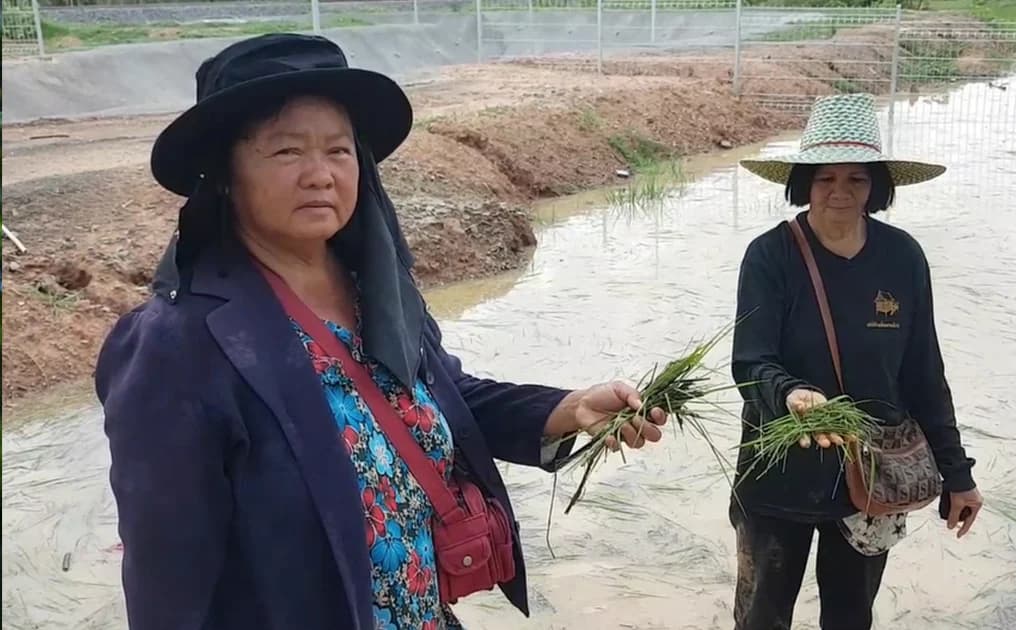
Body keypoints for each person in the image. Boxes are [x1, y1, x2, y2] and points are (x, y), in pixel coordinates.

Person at [94, 33, 670, 630]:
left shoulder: (379, 293)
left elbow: (444, 397)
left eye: (338, 151)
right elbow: (168, 578)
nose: (319, 174)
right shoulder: (177, 344)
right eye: (286, 151)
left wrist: (570, 409)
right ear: (225, 174)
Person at [728, 93, 985, 630]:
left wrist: (957, 474)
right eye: (825, 178)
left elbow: (923, 373)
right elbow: (751, 362)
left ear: (877, 187)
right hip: (778, 477)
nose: (840, 192)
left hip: (872, 479)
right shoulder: (769, 256)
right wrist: (791, 395)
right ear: (803, 184)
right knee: (761, 618)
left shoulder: (903, 257)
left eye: (856, 179)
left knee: (850, 618)